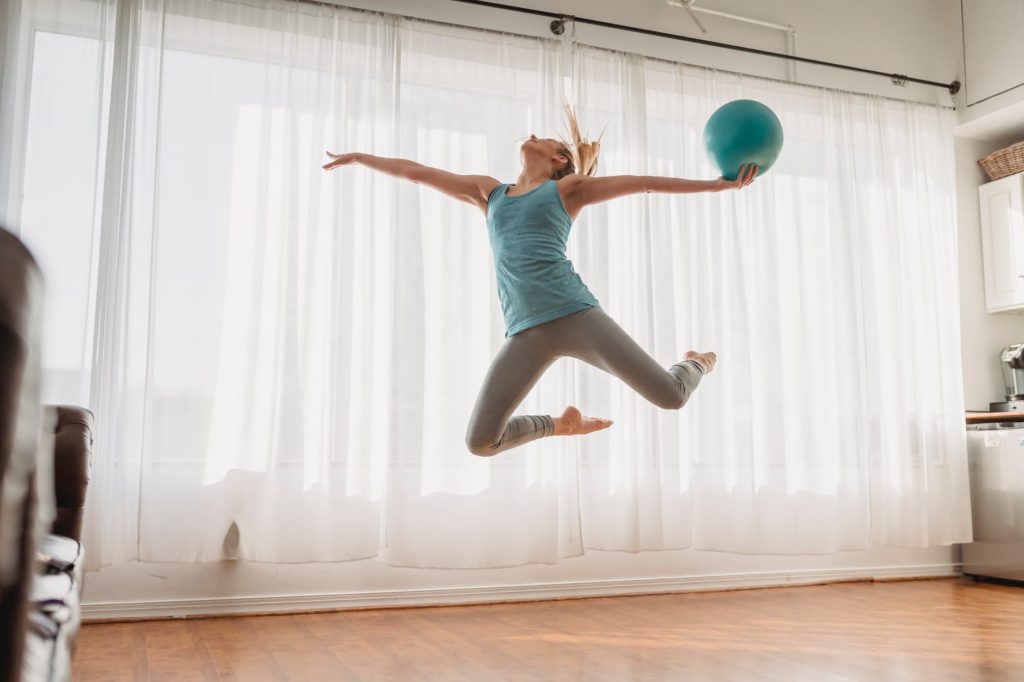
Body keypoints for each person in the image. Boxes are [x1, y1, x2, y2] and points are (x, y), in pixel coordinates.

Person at [323, 105, 757, 456]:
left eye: (545, 138)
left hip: (575, 315)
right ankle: (561, 425)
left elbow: (645, 183)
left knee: (671, 396)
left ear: (559, 159)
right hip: (525, 332)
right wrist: (362, 158)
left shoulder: (569, 190)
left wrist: (716, 187)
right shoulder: (488, 192)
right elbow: (415, 171)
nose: (533, 132)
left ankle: (697, 361)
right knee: (480, 442)